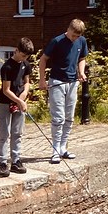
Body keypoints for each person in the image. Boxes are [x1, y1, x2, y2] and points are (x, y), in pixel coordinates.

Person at [38, 19, 88, 164]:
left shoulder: (82, 41)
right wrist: (42, 80)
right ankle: (55, 151)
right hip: (57, 82)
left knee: (69, 117)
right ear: (69, 29)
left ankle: (63, 148)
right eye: (73, 35)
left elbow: (82, 58)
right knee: (58, 118)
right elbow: (43, 60)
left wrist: (81, 72)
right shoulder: (57, 41)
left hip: (73, 82)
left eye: (78, 36)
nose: (75, 39)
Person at [0, 37, 34, 178]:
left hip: (19, 101)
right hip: (7, 102)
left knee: (17, 132)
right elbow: (6, 90)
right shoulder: (7, 67)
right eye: (23, 55)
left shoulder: (25, 64)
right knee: (4, 133)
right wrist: (19, 101)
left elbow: (27, 82)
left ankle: (16, 160)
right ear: (16, 50)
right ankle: (2, 162)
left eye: (27, 57)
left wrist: (24, 94)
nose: (24, 58)